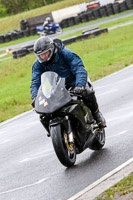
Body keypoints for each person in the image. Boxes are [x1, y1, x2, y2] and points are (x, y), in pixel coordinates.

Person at [30, 36, 106, 128]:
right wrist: (35, 97)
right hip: (56, 88)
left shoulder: (65, 53)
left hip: (75, 84)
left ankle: (96, 114)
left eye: (45, 53)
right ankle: (53, 129)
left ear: (51, 49)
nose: (43, 57)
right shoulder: (38, 64)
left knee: (87, 92)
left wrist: (80, 85)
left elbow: (79, 68)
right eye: (41, 55)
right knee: (44, 113)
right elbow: (35, 81)